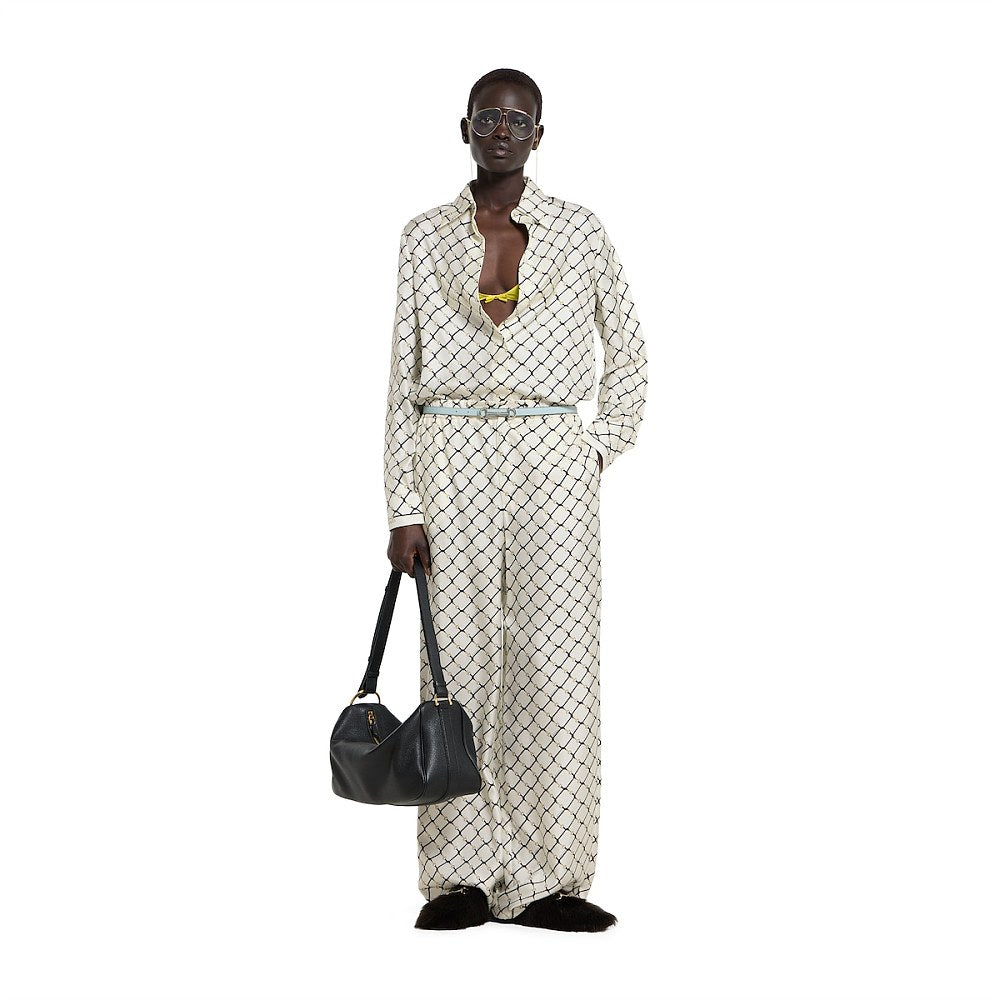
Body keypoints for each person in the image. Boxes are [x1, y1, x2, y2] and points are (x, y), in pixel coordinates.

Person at [382, 67, 648, 932]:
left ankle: (547, 880)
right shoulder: (423, 237)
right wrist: (402, 504)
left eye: (518, 119)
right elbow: (402, 376)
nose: (502, 130)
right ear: (464, 129)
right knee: (451, 662)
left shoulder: (581, 231)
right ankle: (458, 876)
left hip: (550, 456)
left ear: (540, 134)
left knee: (554, 661)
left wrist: (592, 449)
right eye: (487, 117)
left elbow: (630, 353)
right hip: (450, 452)